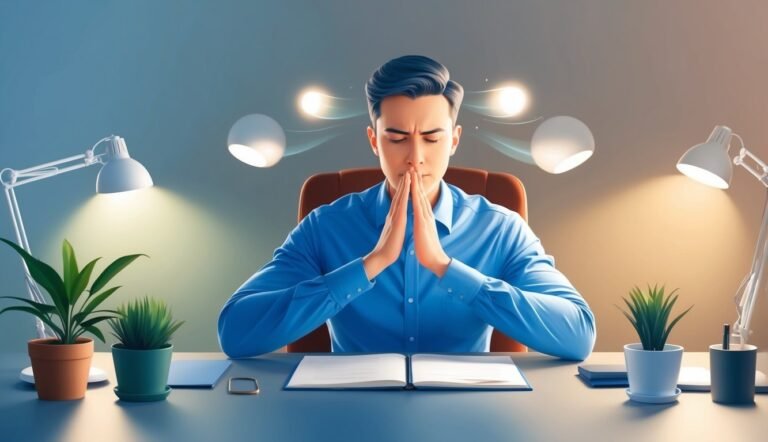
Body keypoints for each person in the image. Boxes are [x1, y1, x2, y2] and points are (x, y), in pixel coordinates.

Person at [218, 55, 596, 360]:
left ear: (454, 140)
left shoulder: (500, 229)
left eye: (431, 138)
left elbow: (578, 335)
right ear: (373, 141)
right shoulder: (325, 227)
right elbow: (235, 332)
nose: (415, 158)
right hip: (351, 419)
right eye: (397, 138)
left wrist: (446, 267)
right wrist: (373, 263)